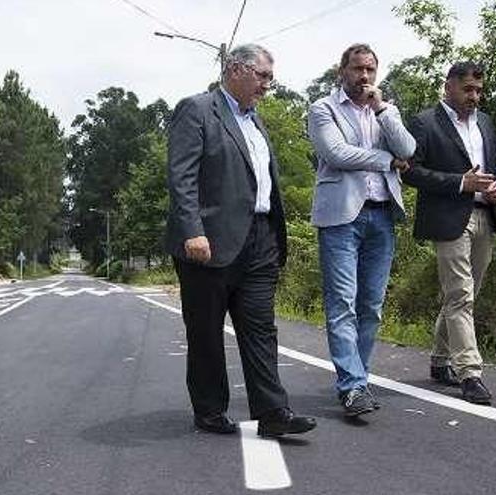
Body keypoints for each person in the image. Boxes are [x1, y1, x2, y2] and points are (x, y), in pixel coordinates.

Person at [165, 43, 316, 437]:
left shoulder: (256, 121)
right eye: (262, 76)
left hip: (260, 239)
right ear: (235, 69)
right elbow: (181, 177)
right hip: (209, 242)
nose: (268, 85)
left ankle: (272, 413)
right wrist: (192, 230)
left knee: (261, 328)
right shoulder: (197, 110)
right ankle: (210, 411)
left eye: (271, 77)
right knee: (206, 332)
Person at [307, 43, 415, 417]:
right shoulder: (323, 109)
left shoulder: (387, 110)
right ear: (342, 72)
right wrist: (387, 160)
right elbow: (337, 154)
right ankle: (352, 386)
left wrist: (382, 110)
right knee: (342, 305)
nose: (364, 76)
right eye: (357, 69)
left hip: (382, 215)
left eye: (370, 69)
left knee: (371, 305)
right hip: (341, 217)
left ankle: (359, 380)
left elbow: (409, 148)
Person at [402, 61, 496, 405]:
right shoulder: (424, 122)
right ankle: (470, 373)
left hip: (485, 216)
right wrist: (460, 182)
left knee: (465, 294)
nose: (474, 97)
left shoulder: (487, 123)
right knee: (461, 295)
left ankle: (438, 359)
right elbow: (410, 172)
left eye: (479, 90)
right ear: (448, 86)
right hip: (449, 219)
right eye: (468, 89)